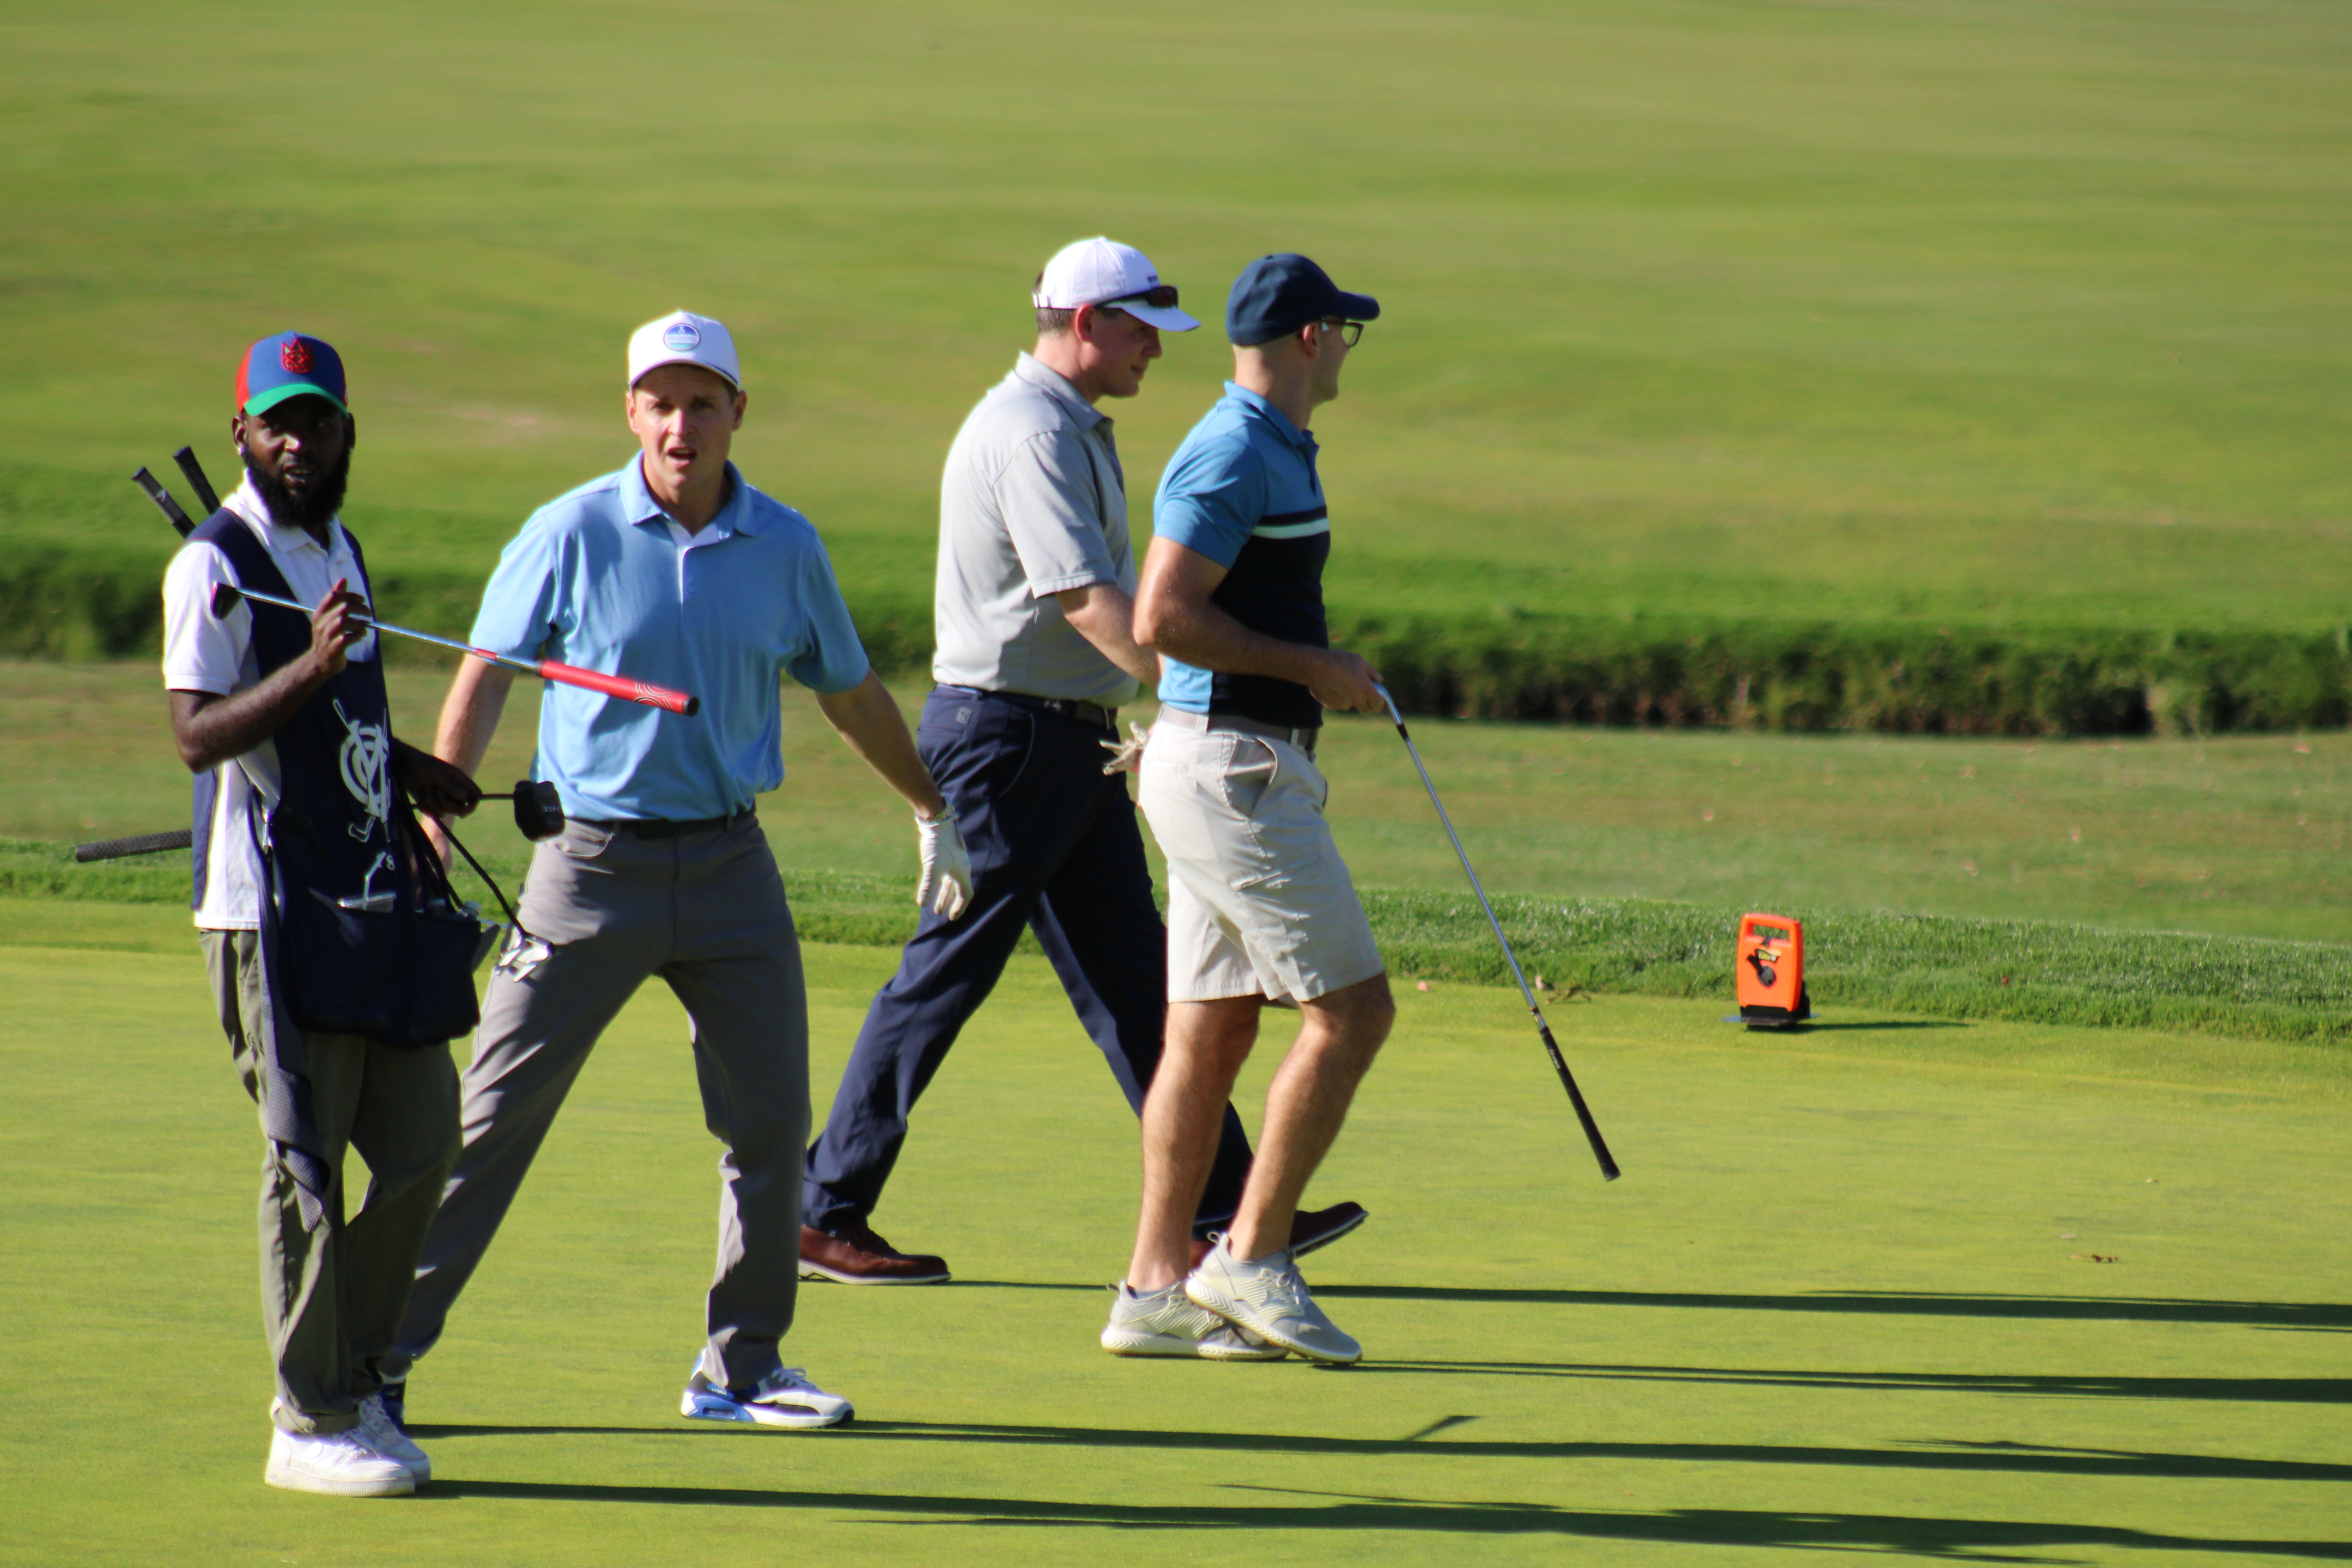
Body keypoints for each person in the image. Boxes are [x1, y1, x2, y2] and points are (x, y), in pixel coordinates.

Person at [381, 310, 972, 1431]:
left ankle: (741, 1367)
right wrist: (436, 821)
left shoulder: (786, 545)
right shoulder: (568, 530)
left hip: (731, 867)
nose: (681, 424)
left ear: (738, 413)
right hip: (584, 869)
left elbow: (847, 689)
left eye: (704, 402)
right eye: (660, 401)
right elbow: (487, 676)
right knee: (490, 1121)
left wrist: (930, 805)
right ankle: (376, 1359)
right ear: (632, 414)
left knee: (767, 1125)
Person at [799, 238, 1363, 1289]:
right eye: (1142, 327)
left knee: (1139, 984)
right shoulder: (1030, 434)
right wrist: (1193, 694)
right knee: (942, 979)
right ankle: (822, 1207)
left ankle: (1226, 1210)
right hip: (1008, 744)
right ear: (1088, 322)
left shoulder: (1064, 425)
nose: (1156, 349)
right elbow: (1091, 603)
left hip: (1068, 740)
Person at [163, 332, 479, 1494]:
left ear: (350, 432)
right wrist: (315, 660)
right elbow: (199, 733)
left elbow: (332, 725)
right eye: (277, 422)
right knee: (304, 1165)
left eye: (320, 420)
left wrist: (407, 768)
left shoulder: (338, 545)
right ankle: (306, 1422)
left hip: (364, 894)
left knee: (419, 1142)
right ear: (242, 431)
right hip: (267, 910)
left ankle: (355, 1384)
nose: (299, 440)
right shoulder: (216, 563)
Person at [1103, 256, 1395, 1366]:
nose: (1347, 350)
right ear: (1312, 338)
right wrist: (1313, 666)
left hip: (1217, 762)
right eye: (1345, 332)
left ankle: (1154, 1287)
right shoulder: (1233, 450)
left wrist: (1314, 672)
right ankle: (1251, 1257)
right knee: (1354, 1016)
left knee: (1213, 1029)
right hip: (1236, 771)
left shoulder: (1265, 444)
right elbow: (1165, 616)